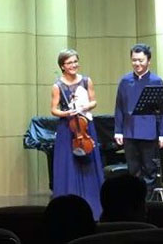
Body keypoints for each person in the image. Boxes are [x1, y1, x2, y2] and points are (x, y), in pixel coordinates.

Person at [50, 49, 104, 219]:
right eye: (69, 63)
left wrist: (85, 106)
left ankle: (93, 203)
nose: (73, 65)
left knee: (89, 161)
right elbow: (54, 109)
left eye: (75, 61)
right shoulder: (57, 86)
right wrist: (67, 113)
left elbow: (94, 101)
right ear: (62, 66)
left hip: (85, 125)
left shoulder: (86, 81)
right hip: (68, 127)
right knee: (68, 163)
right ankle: (68, 204)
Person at [114, 43, 163, 199]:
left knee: (150, 171)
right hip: (129, 132)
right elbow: (119, 107)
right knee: (133, 171)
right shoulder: (125, 81)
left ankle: (147, 204)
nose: (137, 63)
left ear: (148, 61)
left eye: (140, 60)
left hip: (149, 133)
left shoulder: (156, 81)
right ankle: (134, 202)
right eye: (134, 60)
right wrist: (118, 130)